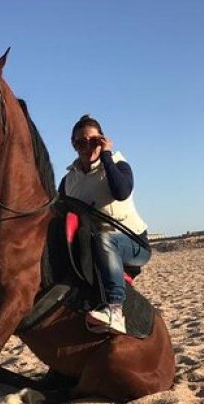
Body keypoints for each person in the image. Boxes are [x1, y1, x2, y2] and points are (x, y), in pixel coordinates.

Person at [59, 114, 151, 334]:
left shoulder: (119, 165)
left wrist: (107, 155)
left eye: (94, 141)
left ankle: (115, 310)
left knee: (104, 238)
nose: (87, 147)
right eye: (81, 142)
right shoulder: (68, 180)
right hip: (92, 247)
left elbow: (121, 192)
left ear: (102, 141)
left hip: (132, 243)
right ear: (74, 145)